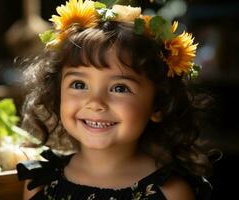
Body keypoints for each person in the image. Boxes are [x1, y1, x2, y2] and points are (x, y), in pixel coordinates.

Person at [16, 0, 216, 199]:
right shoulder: (40, 182)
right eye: (79, 85)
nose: (95, 102)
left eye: (120, 88)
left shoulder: (171, 193)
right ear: (58, 94)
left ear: (158, 104)